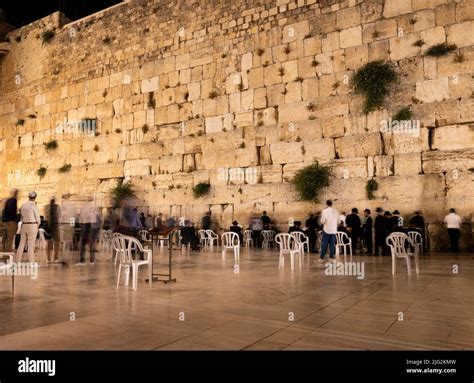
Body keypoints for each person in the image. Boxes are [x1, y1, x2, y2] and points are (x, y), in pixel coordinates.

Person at [16, 191, 40, 263]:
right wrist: (37, 225)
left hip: (24, 225)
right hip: (32, 225)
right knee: (31, 244)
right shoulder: (34, 206)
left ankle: (18, 261)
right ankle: (31, 262)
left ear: (28, 197)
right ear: (35, 197)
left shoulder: (23, 205)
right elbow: (37, 218)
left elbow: (20, 214)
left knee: (21, 243)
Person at [76, 198, 98, 266]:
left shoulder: (83, 207)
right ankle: (92, 260)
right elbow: (97, 218)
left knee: (83, 243)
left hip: (85, 225)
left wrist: (81, 224)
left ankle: (82, 260)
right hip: (92, 226)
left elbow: (80, 219)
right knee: (91, 243)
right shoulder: (94, 207)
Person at [2, 188, 19, 253]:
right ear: (15, 193)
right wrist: (15, 220)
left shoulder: (6, 200)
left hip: (5, 222)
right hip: (10, 222)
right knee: (10, 239)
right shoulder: (13, 200)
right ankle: (7, 256)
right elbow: (11, 211)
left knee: (4, 239)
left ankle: (3, 254)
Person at [45, 197, 61, 263]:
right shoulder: (57, 207)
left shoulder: (46, 207)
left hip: (48, 224)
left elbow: (46, 216)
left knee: (48, 242)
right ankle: (56, 258)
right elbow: (59, 216)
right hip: (55, 224)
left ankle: (48, 259)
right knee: (57, 242)